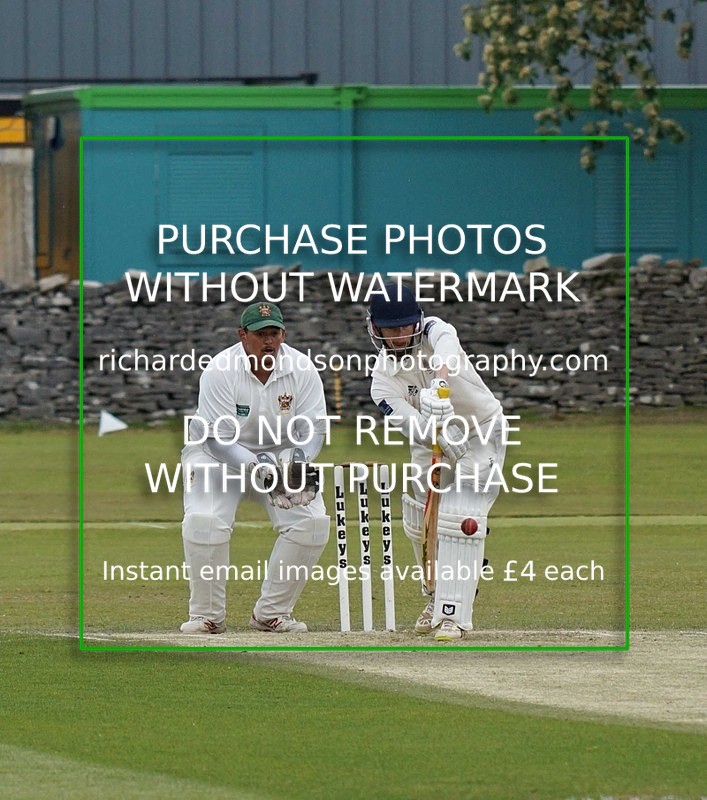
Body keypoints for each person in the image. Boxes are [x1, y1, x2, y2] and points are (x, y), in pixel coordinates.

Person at [367, 283, 508, 641]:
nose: (399, 336)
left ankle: (453, 615)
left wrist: (439, 386)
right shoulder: (382, 380)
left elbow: (448, 351)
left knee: (461, 516)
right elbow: (406, 420)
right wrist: (436, 433)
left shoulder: (437, 331)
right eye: (390, 329)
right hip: (430, 440)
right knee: (418, 518)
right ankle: (436, 593)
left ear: (417, 320)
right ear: (375, 329)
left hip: (481, 431)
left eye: (404, 327)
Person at [179, 301, 330, 634]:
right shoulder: (221, 370)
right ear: (242, 335)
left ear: (283, 334)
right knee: (204, 523)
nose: (268, 342)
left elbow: (313, 431)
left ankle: (272, 613)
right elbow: (218, 440)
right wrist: (257, 465)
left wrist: (299, 461)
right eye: (261, 334)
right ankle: (206, 615)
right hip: (215, 455)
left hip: (278, 454)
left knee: (314, 525)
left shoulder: (301, 368)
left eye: (274, 333)